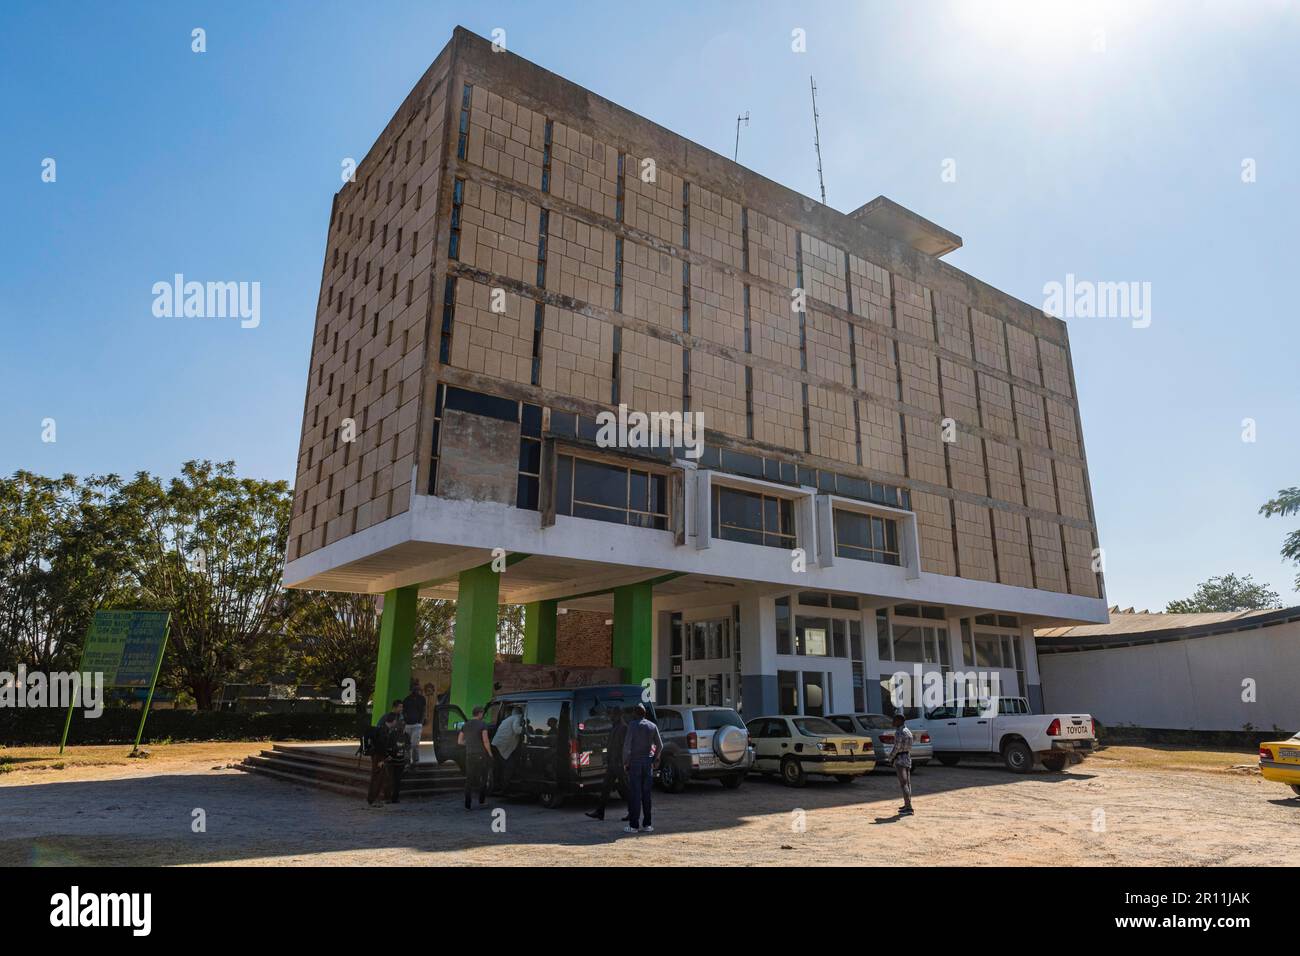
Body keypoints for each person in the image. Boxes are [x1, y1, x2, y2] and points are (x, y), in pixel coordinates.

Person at [621, 704, 662, 833]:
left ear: (635, 713)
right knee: (646, 795)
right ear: (645, 713)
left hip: (635, 763)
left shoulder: (632, 725)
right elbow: (660, 745)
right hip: (647, 763)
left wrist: (625, 762)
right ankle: (647, 824)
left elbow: (627, 746)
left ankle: (634, 825)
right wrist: (655, 759)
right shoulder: (652, 726)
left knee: (635, 795)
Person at [586, 707, 628, 821]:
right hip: (612, 764)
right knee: (605, 788)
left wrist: (623, 762)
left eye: (612, 715)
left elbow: (624, 746)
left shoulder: (623, 728)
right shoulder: (615, 727)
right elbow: (611, 744)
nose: (610, 717)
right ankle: (600, 812)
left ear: (618, 715)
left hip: (618, 763)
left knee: (625, 789)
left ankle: (632, 813)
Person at [367, 700, 407, 807]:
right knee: (378, 777)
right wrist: (384, 757)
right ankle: (373, 799)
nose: (396, 724)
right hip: (379, 756)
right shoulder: (383, 730)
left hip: (382, 756)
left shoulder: (386, 730)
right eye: (395, 722)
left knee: (382, 777)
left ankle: (381, 798)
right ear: (392, 721)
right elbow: (380, 745)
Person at [458, 705, 493, 810]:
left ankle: (467, 805)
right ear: (480, 713)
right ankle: (481, 801)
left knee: (469, 780)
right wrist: (490, 754)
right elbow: (486, 741)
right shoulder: (483, 724)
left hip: (469, 755)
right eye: (483, 714)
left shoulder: (465, 725)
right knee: (483, 777)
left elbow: (459, 741)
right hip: (481, 755)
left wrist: (469, 743)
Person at [491, 706, 524, 793]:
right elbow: (516, 730)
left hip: (496, 744)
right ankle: (504, 787)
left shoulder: (508, 719)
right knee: (509, 766)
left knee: (499, 766)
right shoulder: (517, 718)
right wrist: (525, 729)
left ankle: (496, 785)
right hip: (502, 746)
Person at [889, 711, 914, 816]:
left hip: (900, 759)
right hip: (907, 757)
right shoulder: (908, 731)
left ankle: (908, 808)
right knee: (907, 783)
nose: (893, 722)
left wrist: (891, 757)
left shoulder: (899, 732)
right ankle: (907, 804)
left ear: (899, 721)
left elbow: (897, 747)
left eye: (894, 720)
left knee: (903, 783)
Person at [402, 680, 427, 765]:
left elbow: (424, 710)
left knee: (415, 744)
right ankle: (407, 760)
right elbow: (403, 711)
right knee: (407, 744)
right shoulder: (407, 699)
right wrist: (405, 721)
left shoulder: (422, 699)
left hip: (417, 725)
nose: (415, 690)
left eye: (417, 688)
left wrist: (421, 722)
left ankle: (415, 761)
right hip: (408, 724)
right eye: (414, 688)